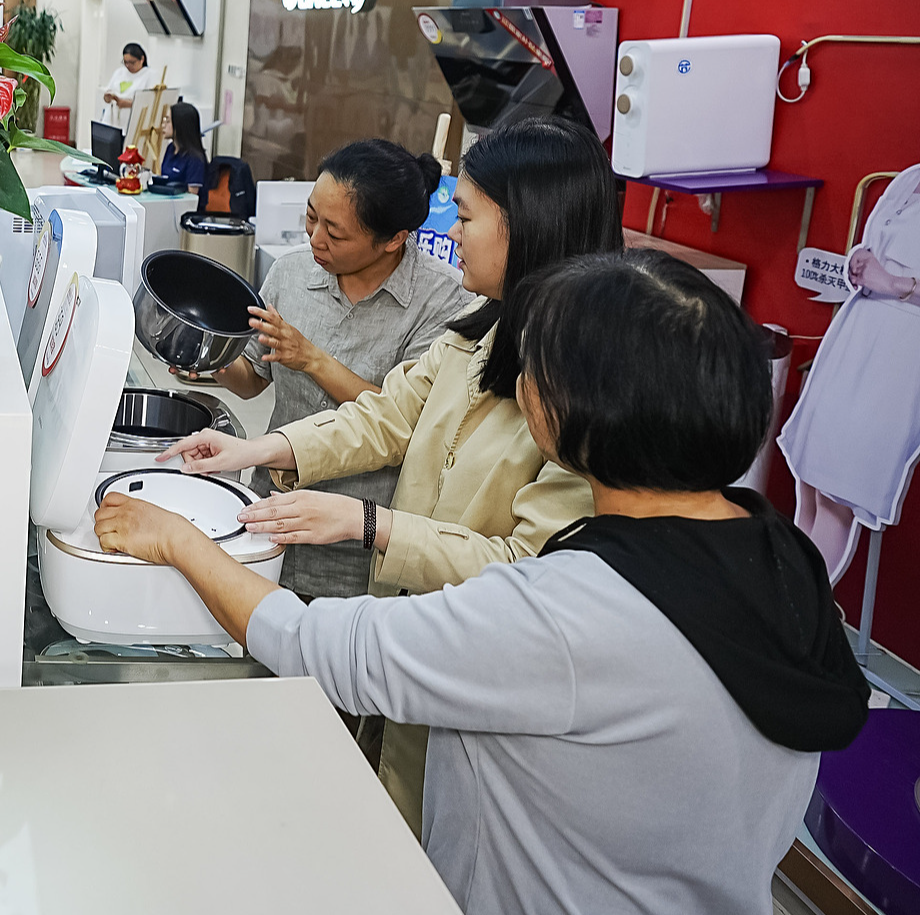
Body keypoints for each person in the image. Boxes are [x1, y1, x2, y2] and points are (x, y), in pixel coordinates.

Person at [98, 249, 869, 915]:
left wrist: (179, 541)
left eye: (538, 364)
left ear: (573, 408)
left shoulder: (569, 614)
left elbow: (314, 643)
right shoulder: (783, 559)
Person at [158, 115, 619, 828]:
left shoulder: (586, 382)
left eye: (465, 217)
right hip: (405, 618)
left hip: (480, 665)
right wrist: (257, 450)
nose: (454, 232)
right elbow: (387, 418)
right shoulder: (487, 329)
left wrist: (368, 522)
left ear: (529, 224)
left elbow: (529, 565)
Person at [204, 139, 477, 599]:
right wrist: (210, 359)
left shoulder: (443, 299)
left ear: (393, 239)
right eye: (311, 217)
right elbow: (253, 380)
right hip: (266, 514)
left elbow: (405, 422)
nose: (315, 239)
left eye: (335, 231)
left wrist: (311, 358)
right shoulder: (291, 274)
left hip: (357, 545)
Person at [780, 161, 920, 561]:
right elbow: (879, 246)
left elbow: (894, 276)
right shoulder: (911, 176)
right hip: (857, 333)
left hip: (901, 355)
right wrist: (861, 260)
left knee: (837, 493)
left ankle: (799, 613)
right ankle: (784, 599)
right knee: (809, 480)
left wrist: (895, 284)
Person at [157, 100, 209, 191]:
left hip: (183, 204)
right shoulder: (170, 148)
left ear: (180, 124)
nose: (163, 125)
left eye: (168, 121)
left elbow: (192, 198)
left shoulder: (194, 158)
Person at [99, 42, 150, 131]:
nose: (128, 65)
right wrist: (108, 98)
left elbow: (150, 101)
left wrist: (128, 103)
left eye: (132, 62)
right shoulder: (119, 72)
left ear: (142, 59)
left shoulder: (149, 75)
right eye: (125, 62)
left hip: (133, 123)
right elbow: (109, 90)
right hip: (113, 121)